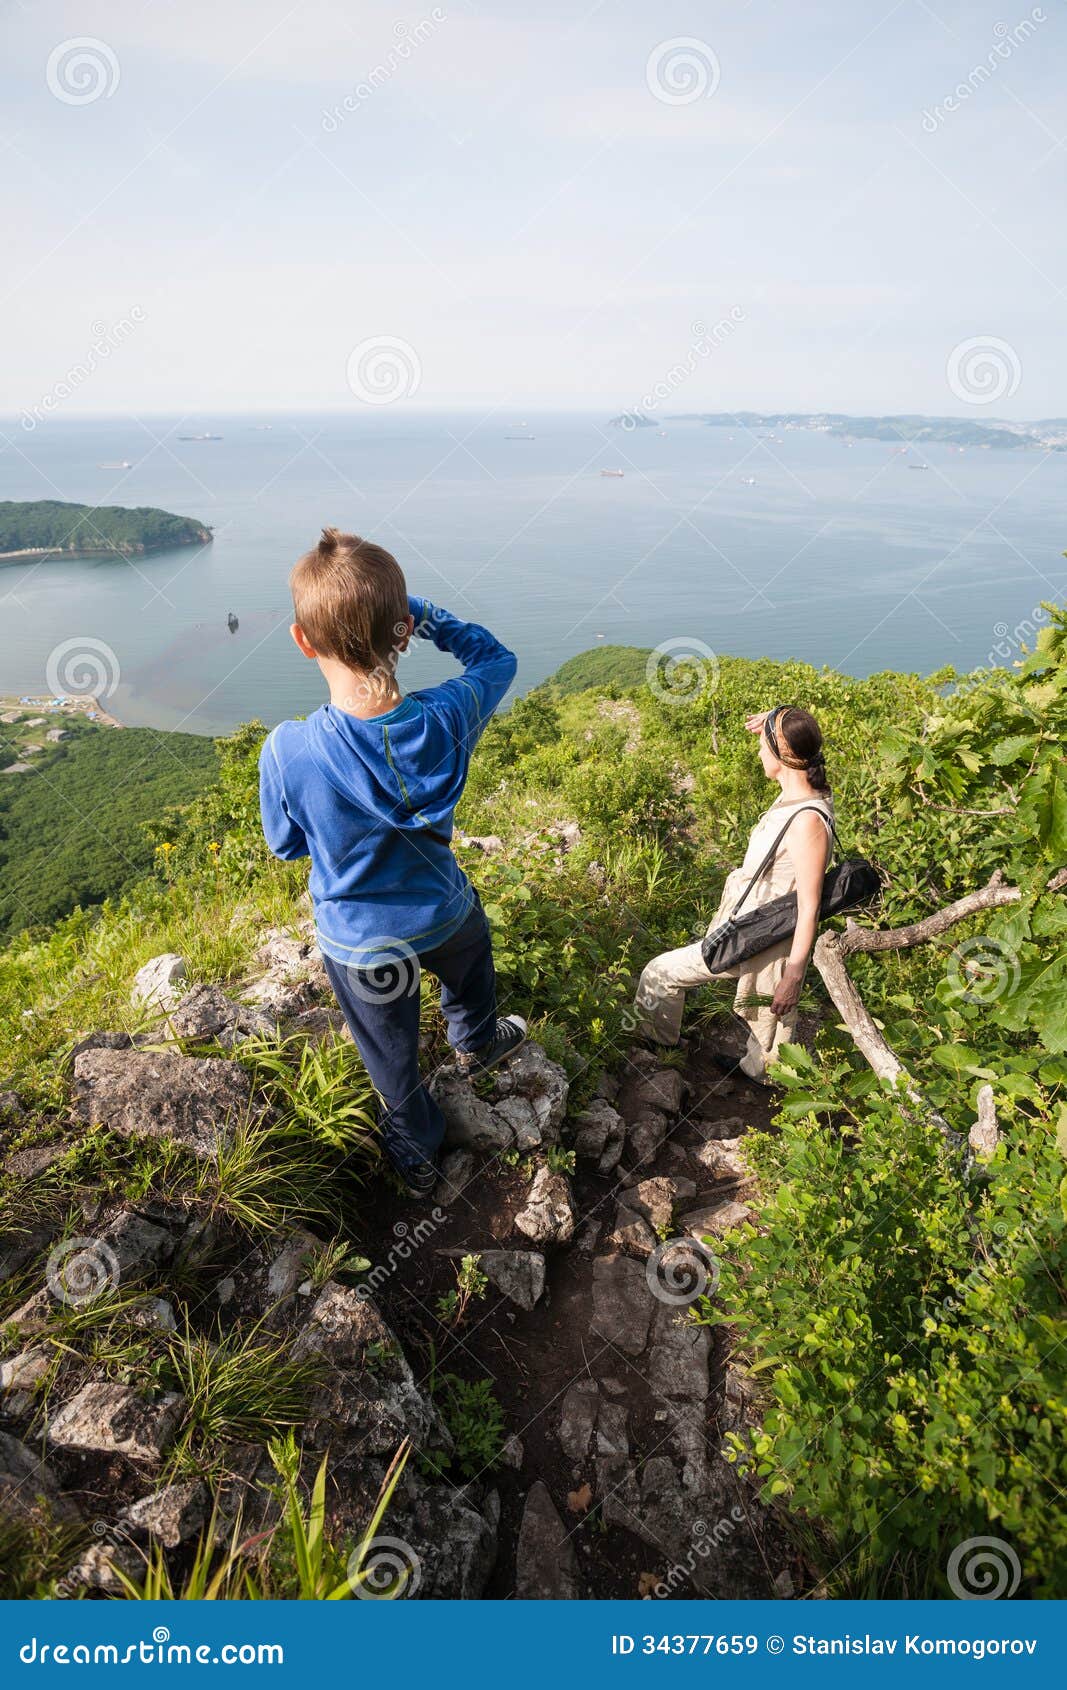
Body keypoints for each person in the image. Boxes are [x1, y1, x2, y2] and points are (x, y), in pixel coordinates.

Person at [258, 527, 526, 1197]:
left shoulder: (289, 751)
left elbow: (286, 844)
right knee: (471, 970)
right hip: (442, 910)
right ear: (402, 632)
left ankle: (416, 1154)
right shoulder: (446, 716)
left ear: (302, 641)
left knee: (390, 1060)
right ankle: (478, 1045)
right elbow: (495, 660)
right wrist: (428, 618)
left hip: (362, 942)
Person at [633, 705, 834, 1081]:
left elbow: (809, 906)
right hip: (755, 928)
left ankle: (660, 1052)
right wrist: (773, 719)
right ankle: (759, 1075)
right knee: (770, 1024)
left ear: (782, 754)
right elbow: (800, 737)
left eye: (764, 746)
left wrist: (793, 975)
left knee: (661, 974)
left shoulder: (807, 821)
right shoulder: (808, 791)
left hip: (765, 937)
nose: (758, 751)